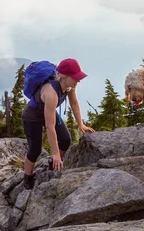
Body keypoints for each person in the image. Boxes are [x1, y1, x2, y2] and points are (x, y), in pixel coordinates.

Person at [21, 58, 95, 189]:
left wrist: (80, 124)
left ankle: (54, 163)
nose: (79, 80)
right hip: (32, 116)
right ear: (64, 77)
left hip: (47, 111)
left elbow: (74, 103)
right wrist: (55, 152)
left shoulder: (69, 86)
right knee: (35, 150)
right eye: (75, 77)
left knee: (66, 139)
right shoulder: (51, 93)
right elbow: (50, 127)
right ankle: (28, 177)